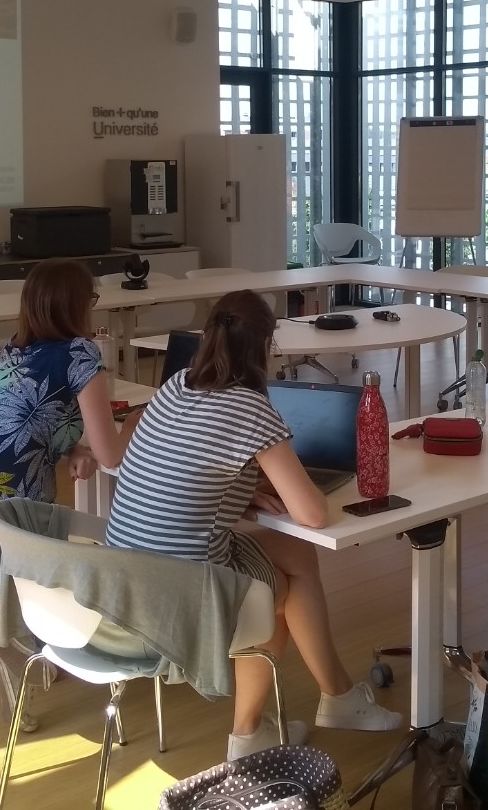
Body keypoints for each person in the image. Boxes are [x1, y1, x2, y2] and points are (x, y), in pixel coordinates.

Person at [105, 290, 401, 760]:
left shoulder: (177, 384)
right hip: (184, 584)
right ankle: (255, 732)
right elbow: (311, 514)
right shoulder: (249, 407)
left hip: (125, 572)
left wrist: (235, 495)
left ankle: (334, 698)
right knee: (273, 595)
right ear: (265, 345)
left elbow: (184, 471)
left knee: (298, 556)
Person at [0, 259, 134, 664]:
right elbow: (112, 455)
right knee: (105, 547)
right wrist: (141, 417)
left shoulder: (13, 351)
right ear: (78, 305)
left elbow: (24, 425)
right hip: (3, 554)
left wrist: (70, 447)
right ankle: (26, 645)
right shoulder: (80, 354)